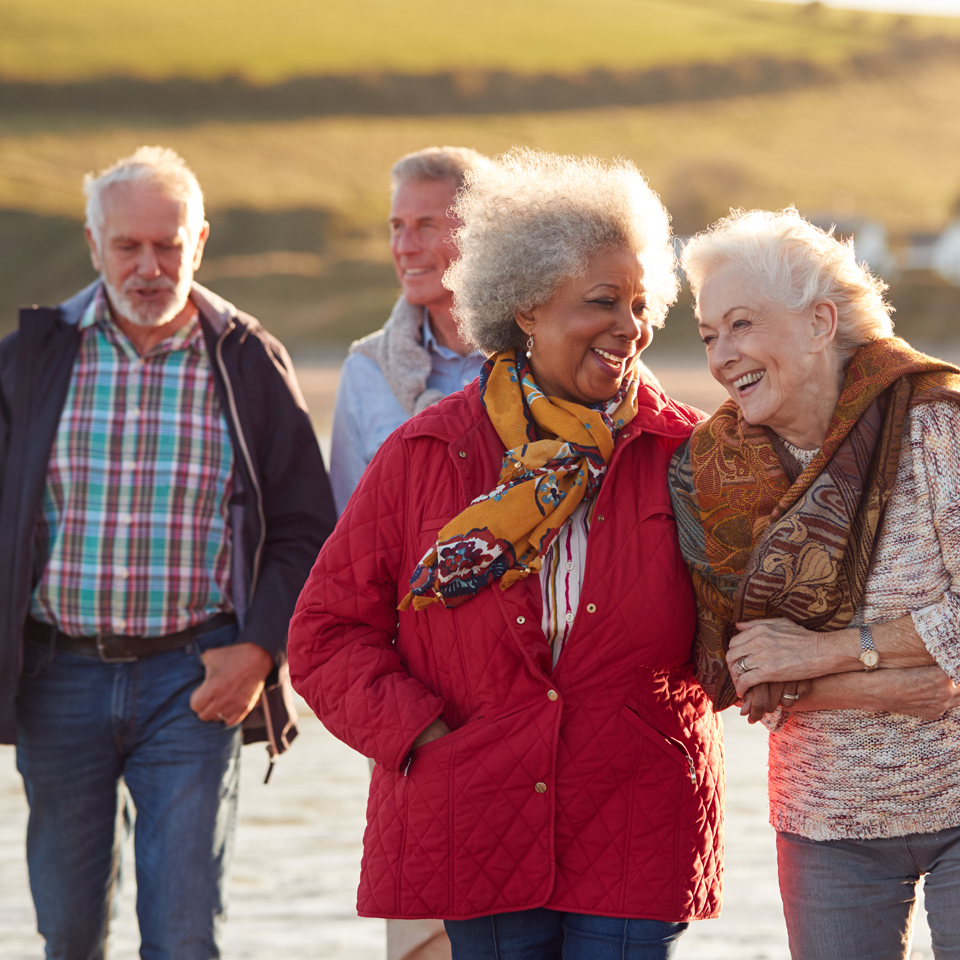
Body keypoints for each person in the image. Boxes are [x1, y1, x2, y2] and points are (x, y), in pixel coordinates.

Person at [288, 148, 723, 960]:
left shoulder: (690, 454)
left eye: (639, 302)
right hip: (472, 806)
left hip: (636, 814)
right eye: (602, 301)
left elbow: (742, 633)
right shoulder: (424, 452)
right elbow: (324, 633)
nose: (630, 327)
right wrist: (422, 735)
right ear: (525, 307)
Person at [0, 146, 335, 959]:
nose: (149, 267)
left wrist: (257, 649)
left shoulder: (249, 359)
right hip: (57, 681)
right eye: (128, 247)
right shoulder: (34, 357)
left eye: (168, 245)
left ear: (201, 241)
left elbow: (303, 526)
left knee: (184, 935)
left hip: (196, 682)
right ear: (93, 243)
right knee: (69, 932)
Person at [669, 207, 960, 960]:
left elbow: (785, 660)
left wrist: (822, 653)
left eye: (741, 324)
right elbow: (738, 672)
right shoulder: (711, 468)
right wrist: (893, 683)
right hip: (825, 820)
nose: (722, 356)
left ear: (820, 322)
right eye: (708, 336)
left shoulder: (935, 425)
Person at [329, 145, 489, 515]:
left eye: (426, 225)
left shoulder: (549, 358)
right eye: (397, 227)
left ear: (482, 234)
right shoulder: (365, 370)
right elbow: (345, 533)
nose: (403, 247)